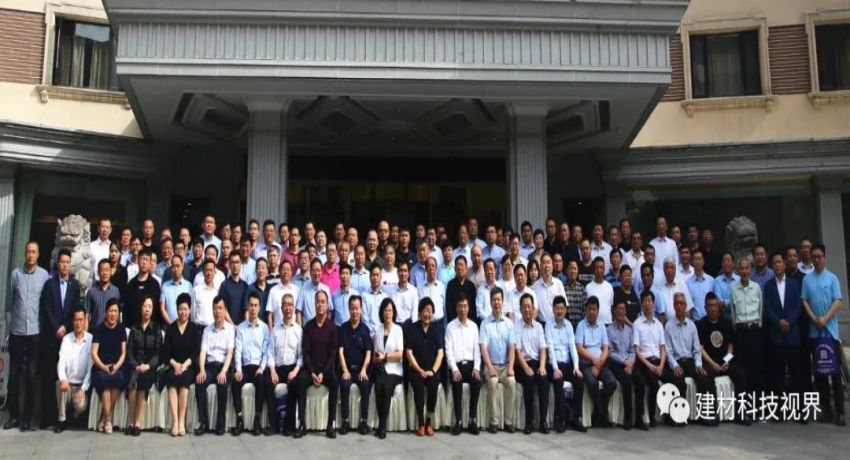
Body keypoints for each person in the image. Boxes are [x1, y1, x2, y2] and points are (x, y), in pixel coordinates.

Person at [5, 241, 49, 432]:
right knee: (14, 374)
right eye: (28, 252)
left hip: (35, 332)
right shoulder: (16, 274)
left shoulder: (44, 275)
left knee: (32, 374)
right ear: (25, 253)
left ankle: (27, 418)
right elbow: (12, 300)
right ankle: (14, 416)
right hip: (17, 331)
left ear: (38, 255)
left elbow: (44, 302)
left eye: (34, 252)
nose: (30, 255)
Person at [801, 244, 845, 426]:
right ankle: (826, 411)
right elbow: (804, 301)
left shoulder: (832, 278)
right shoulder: (807, 279)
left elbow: (838, 301)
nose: (817, 259)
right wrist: (814, 319)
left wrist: (825, 319)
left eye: (819, 256)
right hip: (815, 334)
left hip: (830, 333)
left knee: (835, 374)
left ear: (824, 257)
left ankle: (840, 412)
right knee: (819, 375)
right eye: (814, 257)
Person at [39, 248, 81, 430]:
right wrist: (56, 327)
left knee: (64, 377)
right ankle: (47, 417)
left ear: (70, 264)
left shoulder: (75, 285)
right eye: (62, 262)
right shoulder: (50, 284)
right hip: (51, 337)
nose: (64, 265)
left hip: (67, 337)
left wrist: (65, 326)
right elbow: (46, 308)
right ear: (57, 264)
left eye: (67, 262)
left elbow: (75, 308)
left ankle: (62, 417)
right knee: (49, 378)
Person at [697, 293, 750, 425]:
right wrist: (712, 364)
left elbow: (730, 346)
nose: (713, 308)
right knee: (707, 377)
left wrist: (727, 361)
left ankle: (740, 413)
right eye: (710, 306)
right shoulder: (701, 324)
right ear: (705, 308)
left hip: (724, 361)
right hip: (709, 362)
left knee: (741, 374)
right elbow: (700, 349)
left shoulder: (725, 323)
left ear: (719, 307)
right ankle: (711, 414)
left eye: (715, 305)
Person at [664, 293, 716, 426]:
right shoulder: (668, 326)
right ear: (674, 306)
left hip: (690, 361)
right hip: (677, 362)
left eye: (682, 303)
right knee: (678, 380)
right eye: (677, 303)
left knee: (704, 376)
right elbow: (668, 351)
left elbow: (696, 349)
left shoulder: (692, 325)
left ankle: (706, 414)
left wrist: (698, 364)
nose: (679, 306)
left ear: (686, 306)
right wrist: (675, 365)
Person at [296, 290, 339, 439]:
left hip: (325, 370)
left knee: (335, 382)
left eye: (323, 302)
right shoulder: (308, 326)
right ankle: (302, 423)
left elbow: (332, 353)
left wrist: (322, 373)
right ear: (314, 305)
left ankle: (330, 424)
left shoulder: (332, 327)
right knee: (301, 381)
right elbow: (305, 352)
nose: (320, 305)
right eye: (318, 302)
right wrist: (312, 372)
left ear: (327, 305)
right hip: (311, 370)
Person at [763, 252, 803, 400]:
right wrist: (779, 321)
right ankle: (780, 406)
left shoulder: (794, 284)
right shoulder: (768, 285)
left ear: (785, 264)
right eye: (774, 263)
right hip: (776, 333)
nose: (777, 265)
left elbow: (798, 306)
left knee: (795, 372)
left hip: (792, 333)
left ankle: (798, 407)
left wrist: (788, 321)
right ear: (772, 266)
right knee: (777, 372)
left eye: (779, 262)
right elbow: (767, 309)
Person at [194, 297, 235, 436]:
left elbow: (230, 353)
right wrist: (202, 370)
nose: (218, 311)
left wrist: (224, 371)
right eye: (215, 308)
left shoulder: (230, 329)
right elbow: (203, 352)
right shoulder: (207, 330)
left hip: (223, 366)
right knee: (199, 382)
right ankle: (203, 422)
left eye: (220, 308)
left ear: (225, 311)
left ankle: (220, 424)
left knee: (222, 383)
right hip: (210, 366)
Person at [232, 292, 270, 436]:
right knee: (235, 382)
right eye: (251, 305)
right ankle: (239, 419)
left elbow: (266, 351)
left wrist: (262, 368)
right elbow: (238, 350)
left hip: (258, 368)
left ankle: (257, 420)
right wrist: (238, 369)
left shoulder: (264, 328)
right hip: (245, 367)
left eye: (256, 305)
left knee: (262, 381)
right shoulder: (241, 328)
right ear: (247, 307)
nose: (253, 308)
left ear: (259, 308)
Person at [479, 287, 517, 433]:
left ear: (503, 302)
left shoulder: (509, 323)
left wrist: (511, 367)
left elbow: (512, 347)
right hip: (491, 365)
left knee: (512, 382)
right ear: (490, 302)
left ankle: (508, 422)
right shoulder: (485, 324)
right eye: (494, 300)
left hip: (506, 366)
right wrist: (490, 368)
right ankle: (493, 422)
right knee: (493, 381)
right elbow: (483, 348)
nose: (496, 303)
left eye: (499, 300)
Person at [545, 296, 585, 433]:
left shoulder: (569, 325)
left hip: (567, 364)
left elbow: (573, 348)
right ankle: (561, 419)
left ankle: (576, 417)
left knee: (579, 379)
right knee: (558, 380)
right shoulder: (548, 325)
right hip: (554, 364)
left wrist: (576, 367)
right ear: (553, 310)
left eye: (562, 308)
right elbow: (550, 348)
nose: (559, 311)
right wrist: (555, 368)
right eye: (557, 309)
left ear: (565, 310)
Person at [406, 297, 445, 436]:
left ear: (433, 313)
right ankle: (421, 423)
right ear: (419, 312)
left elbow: (440, 353)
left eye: (430, 311)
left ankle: (428, 421)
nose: (427, 314)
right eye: (424, 311)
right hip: (416, 369)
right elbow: (409, 353)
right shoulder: (412, 328)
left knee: (433, 386)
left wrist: (433, 371)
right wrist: (419, 370)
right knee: (418, 387)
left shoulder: (437, 329)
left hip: (431, 370)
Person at [124, 295, 163, 436]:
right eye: (145, 306)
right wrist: (136, 365)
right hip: (135, 366)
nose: (147, 309)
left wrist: (148, 366)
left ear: (152, 310)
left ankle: (138, 422)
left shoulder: (156, 328)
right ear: (141, 308)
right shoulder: (134, 328)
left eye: (150, 307)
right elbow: (129, 352)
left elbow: (158, 353)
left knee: (143, 381)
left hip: (149, 368)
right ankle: (131, 422)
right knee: (132, 381)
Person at [575, 297, 616, 428]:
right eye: (589, 309)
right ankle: (602, 413)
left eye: (594, 309)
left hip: (601, 363)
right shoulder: (581, 325)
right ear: (586, 310)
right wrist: (594, 361)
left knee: (612, 383)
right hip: (585, 364)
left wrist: (599, 363)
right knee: (592, 383)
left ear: (598, 311)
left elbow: (605, 348)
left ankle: (599, 412)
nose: (592, 312)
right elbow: (579, 348)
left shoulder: (602, 326)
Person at [632, 291, 671, 428]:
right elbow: (637, 350)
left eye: (650, 301)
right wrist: (650, 366)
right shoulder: (637, 324)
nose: (647, 304)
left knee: (675, 379)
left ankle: (671, 415)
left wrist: (661, 365)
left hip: (659, 361)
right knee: (654, 384)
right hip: (644, 362)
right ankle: (649, 417)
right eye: (645, 301)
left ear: (654, 304)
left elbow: (663, 348)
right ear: (641, 304)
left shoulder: (659, 325)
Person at [445, 293, 482, 435]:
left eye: (465, 306)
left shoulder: (474, 327)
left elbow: (477, 351)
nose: (462, 309)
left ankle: (472, 419)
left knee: (477, 380)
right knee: (456, 381)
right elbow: (449, 352)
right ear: (456, 308)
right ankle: (458, 420)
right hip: (457, 365)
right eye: (460, 306)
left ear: (468, 308)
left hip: (471, 365)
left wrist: (476, 368)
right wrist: (454, 369)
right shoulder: (450, 327)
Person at [163, 293, 199, 437]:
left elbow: (195, 352)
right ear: (176, 310)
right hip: (173, 365)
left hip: (188, 366)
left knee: (185, 380)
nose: (183, 312)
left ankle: (182, 421)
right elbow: (166, 353)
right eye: (180, 309)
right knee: (171, 380)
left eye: (185, 309)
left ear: (190, 310)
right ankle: (175, 421)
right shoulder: (171, 328)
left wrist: (184, 365)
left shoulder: (194, 328)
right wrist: (175, 364)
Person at [266, 293, 302, 436]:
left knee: (294, 385)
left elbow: (301, 356)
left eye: (290, 305)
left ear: (294, 308)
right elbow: (270, 352)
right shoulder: (275, 329)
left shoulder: (298, 330)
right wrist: (272, 371)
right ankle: (273, 425)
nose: (288, 308)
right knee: (267, 384)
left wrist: (295, 371)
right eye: (285, 305)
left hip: (292, 368)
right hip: (278, 369)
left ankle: (289, 425)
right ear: (281, 308)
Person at [513, 293, 550, 434]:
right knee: (529, 379)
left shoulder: (539, 327)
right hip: (522, 364)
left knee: (544, 379)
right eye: (524, 307)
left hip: (537, 363)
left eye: (529, 306)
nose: (527, 309)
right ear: (520, 309)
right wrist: (526, 368)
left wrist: (542, 366)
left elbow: (543, 349)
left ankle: (543, 421)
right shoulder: (516, 327)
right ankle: (529, 421)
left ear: (533, 308)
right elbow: (517, 351)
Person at [90, 298, 127, 434]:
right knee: (104, 381)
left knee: (119, 378)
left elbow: (123, 353)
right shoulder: (99, 329)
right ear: (106, 312)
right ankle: (108, 420)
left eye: (115, 311)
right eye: (110, 311)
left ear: (118, 314)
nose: (113, 314)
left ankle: (103, 419)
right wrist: (103, 367)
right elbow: (94, 353)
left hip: (116, 366)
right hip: (101, 367)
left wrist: (116, 366)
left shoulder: (121, 329)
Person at [337, 295, 373, 436]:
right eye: (352, 308)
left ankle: (363, 421)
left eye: (357, 308)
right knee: (344, 385)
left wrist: (364, 370)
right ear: (349, 309)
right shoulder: (343, 328)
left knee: (365, 385)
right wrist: (344, 370)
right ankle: (345, 421)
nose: (355, 311)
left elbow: (368, 352)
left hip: (360, 370)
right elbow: (340, 351)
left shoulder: (365, 329)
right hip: (347, 369)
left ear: (361, 309)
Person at [54, 306, 93, 433]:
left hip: (81, 387)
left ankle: (75, 415)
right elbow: (61, 362)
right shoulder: (66, 339)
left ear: (85, 321)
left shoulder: (91, 340)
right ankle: (62, 420)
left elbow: (90, 368)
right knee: (59, 383)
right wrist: (63, 379)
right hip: (68, 385)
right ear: (72, 321)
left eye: (81, 320)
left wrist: (83, 388)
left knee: (80, 406)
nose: (78, 323)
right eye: (76, 320)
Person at [607, 302, 644, 430]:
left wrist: (630, 363)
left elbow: (633, 350)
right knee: (627, 382)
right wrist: (625, 362)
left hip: (630, 363)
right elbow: (610, 352)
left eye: (623, 309)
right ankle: (628, 418)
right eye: (619, 309)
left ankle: (639, 418)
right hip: (616, 364)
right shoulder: (609, 330)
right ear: (614, 311)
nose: (621, 312)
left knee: (640, 381)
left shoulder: (629, 330)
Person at [372, 298, 405, 439]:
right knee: (378, 387)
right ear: (382, 312)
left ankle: (382, 426)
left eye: (390, 310)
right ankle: (381, 425)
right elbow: (376, 352)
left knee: (386, 388)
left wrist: (385, 356)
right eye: (385, 310)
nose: (388, 313)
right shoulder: (378, 329)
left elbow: (400, 354)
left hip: (395, 370)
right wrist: (377, 358)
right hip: (381, 369)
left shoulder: (398, 330)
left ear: (394, 312)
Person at [730, 258, 763, 394]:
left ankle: (757, 400)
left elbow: (761, 309)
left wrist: (758, 326)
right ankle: (745, 400)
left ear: (750, 270)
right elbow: (733, 312)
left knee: (757, 367)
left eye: (747, 268)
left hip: (754, 330)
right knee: (742, 368)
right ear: (738, 271)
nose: (744, 271)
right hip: (741, 332)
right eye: (742, 268)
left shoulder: (756, 287)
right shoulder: (734, 289)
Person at [532, 253, 566, 325]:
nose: (546, 266)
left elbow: (564, 305)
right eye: (544, 263)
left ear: (552, 266)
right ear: (540, 267)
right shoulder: (535, 286)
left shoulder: (558, 283)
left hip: (557, 323)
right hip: (541, 324)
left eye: (548, 263)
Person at [295, 258, 331, 325]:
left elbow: (329, 311)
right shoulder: (304, 288)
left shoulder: (326, 289)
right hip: (308, 328)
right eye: (314, 270)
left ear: (321, 272)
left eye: (318, 270)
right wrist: (299, 329)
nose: (316, 273)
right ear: (310, 271)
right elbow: (299, 311)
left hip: (323, 328)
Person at [266, 259, 299, 328]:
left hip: (293, 329)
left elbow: (298, 313)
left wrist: (298, 330)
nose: (286, 272)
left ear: (291, 272)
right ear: (279, 271)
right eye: (283, 269)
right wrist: (271, 331)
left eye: (288, 269)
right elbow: (269, 314)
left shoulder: (297, 290)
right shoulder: (273, 290)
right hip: (277, 330)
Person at [160, 255, 192, 326]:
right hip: (169, 326)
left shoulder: (189, 286)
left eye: (178, 266)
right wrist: (172, 325)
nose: (175, 269)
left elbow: (191, 307)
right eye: (173, 266)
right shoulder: (165, 286)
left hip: (185, 326)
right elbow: (162, 308)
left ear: (182, 266)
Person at [219, 252, 250, 324]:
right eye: (232, 262)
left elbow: (246, 309)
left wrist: (245, 325)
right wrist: (232, 325)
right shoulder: (224, 285)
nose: (235, 265)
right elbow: (223, 308)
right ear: (229, 265)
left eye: (237, 262)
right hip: (228, 326)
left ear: (241, 264)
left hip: (243, 326)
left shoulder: (245, 286)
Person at [445, 255, 476, 323]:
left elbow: (473, 308)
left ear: (466, 268)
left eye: (462, 265)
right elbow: (449, 307)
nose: (460, 267)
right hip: (454, 323)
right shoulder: (450, 285)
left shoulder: (471, 286)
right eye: (458, 265)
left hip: (468, 323)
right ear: (455, 269)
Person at [686, 249, 714, 321]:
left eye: (700, 259)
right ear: (692, 262)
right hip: (695, 321)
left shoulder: (711, 280)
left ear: (703, 261)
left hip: (709, 320)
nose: (698, 262)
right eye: (695, 259)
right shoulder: (687, 283)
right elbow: (688, 306)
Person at [585, 257, 614, 325]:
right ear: (593, 269)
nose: (599, 270)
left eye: (601, 267)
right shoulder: (588, 287)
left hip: (608, 323)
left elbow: (612, 307)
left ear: (604, 269)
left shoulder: (609, 287)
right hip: (594, 324)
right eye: (596, 268)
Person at [418, 257, 446, 324]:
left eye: (433, 266)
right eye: (429, 266)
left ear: (436, 268)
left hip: (439, 323)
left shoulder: (441, 286)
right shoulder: (419, 287)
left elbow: (445, 307)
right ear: (425, 269)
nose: (431, 268)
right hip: (424, 323)